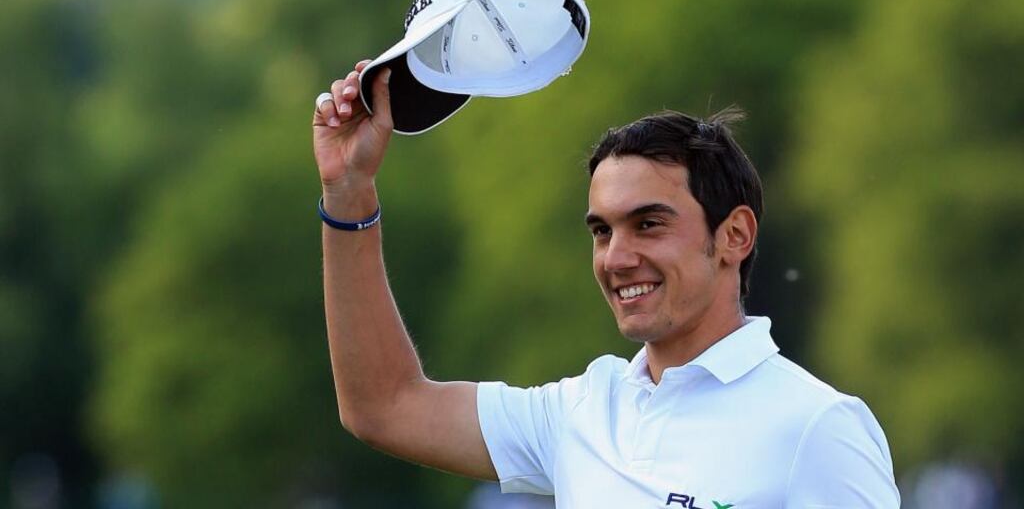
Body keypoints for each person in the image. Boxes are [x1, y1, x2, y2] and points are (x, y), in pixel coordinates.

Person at [310, 61, 901, 507]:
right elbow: (383, 406)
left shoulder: (818, 426)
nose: (616, 257)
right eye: (601, 231)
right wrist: (348, 193)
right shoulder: (582, 411)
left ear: (734, 236)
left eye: (648, 224)